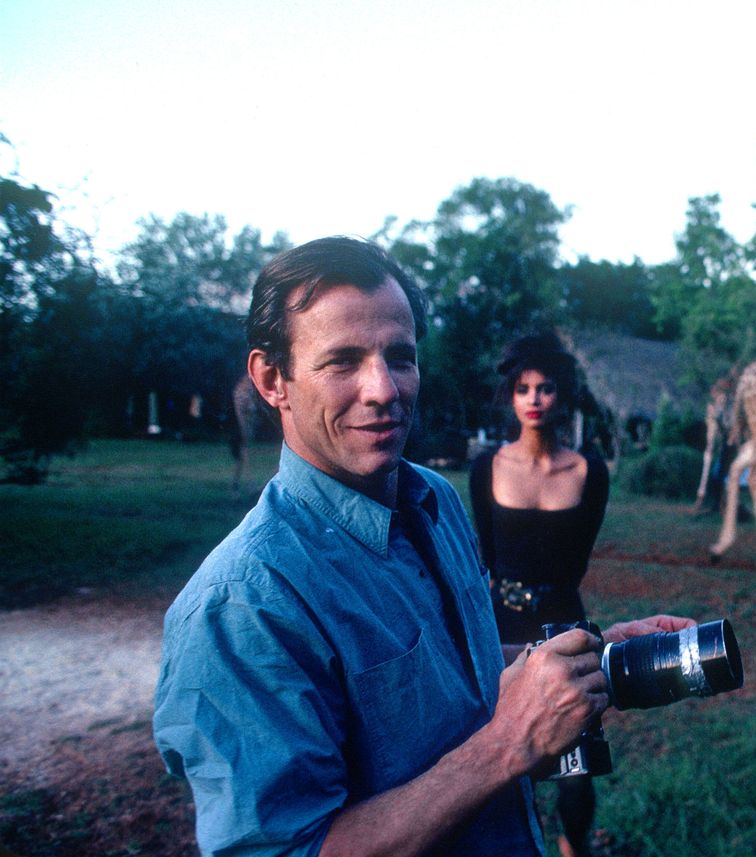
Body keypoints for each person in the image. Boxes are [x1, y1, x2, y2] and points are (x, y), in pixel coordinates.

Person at [152, 237, 692, 857]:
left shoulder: (433, 501)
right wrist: (506, 744)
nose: (383, 389)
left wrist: (581, 657)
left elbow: (447, 675)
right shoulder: (240, 608)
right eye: (343, 361)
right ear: (273, 379)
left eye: (400, 357)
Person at [469, 333, 607, 857]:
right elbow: (485, 556)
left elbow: (578, 561)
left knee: (577, 767)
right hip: (500, 623)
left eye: (545, 388)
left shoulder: (589, 473)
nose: (533, 399)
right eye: (523, 388)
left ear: (561, 396)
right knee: (504, 759)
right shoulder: (487, 467)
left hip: (565, 621)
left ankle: (575, 847)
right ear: (510, 396)